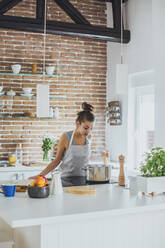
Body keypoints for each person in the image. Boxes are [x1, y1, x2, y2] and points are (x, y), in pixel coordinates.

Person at [30, 102, 95, 179]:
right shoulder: (66, 136)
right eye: (86, 128)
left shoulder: (89, 138)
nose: (88, 131)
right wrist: (40, 176)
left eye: (91, 128)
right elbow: (56, 161)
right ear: (78, 123)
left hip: (83, 179)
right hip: (66, 180)